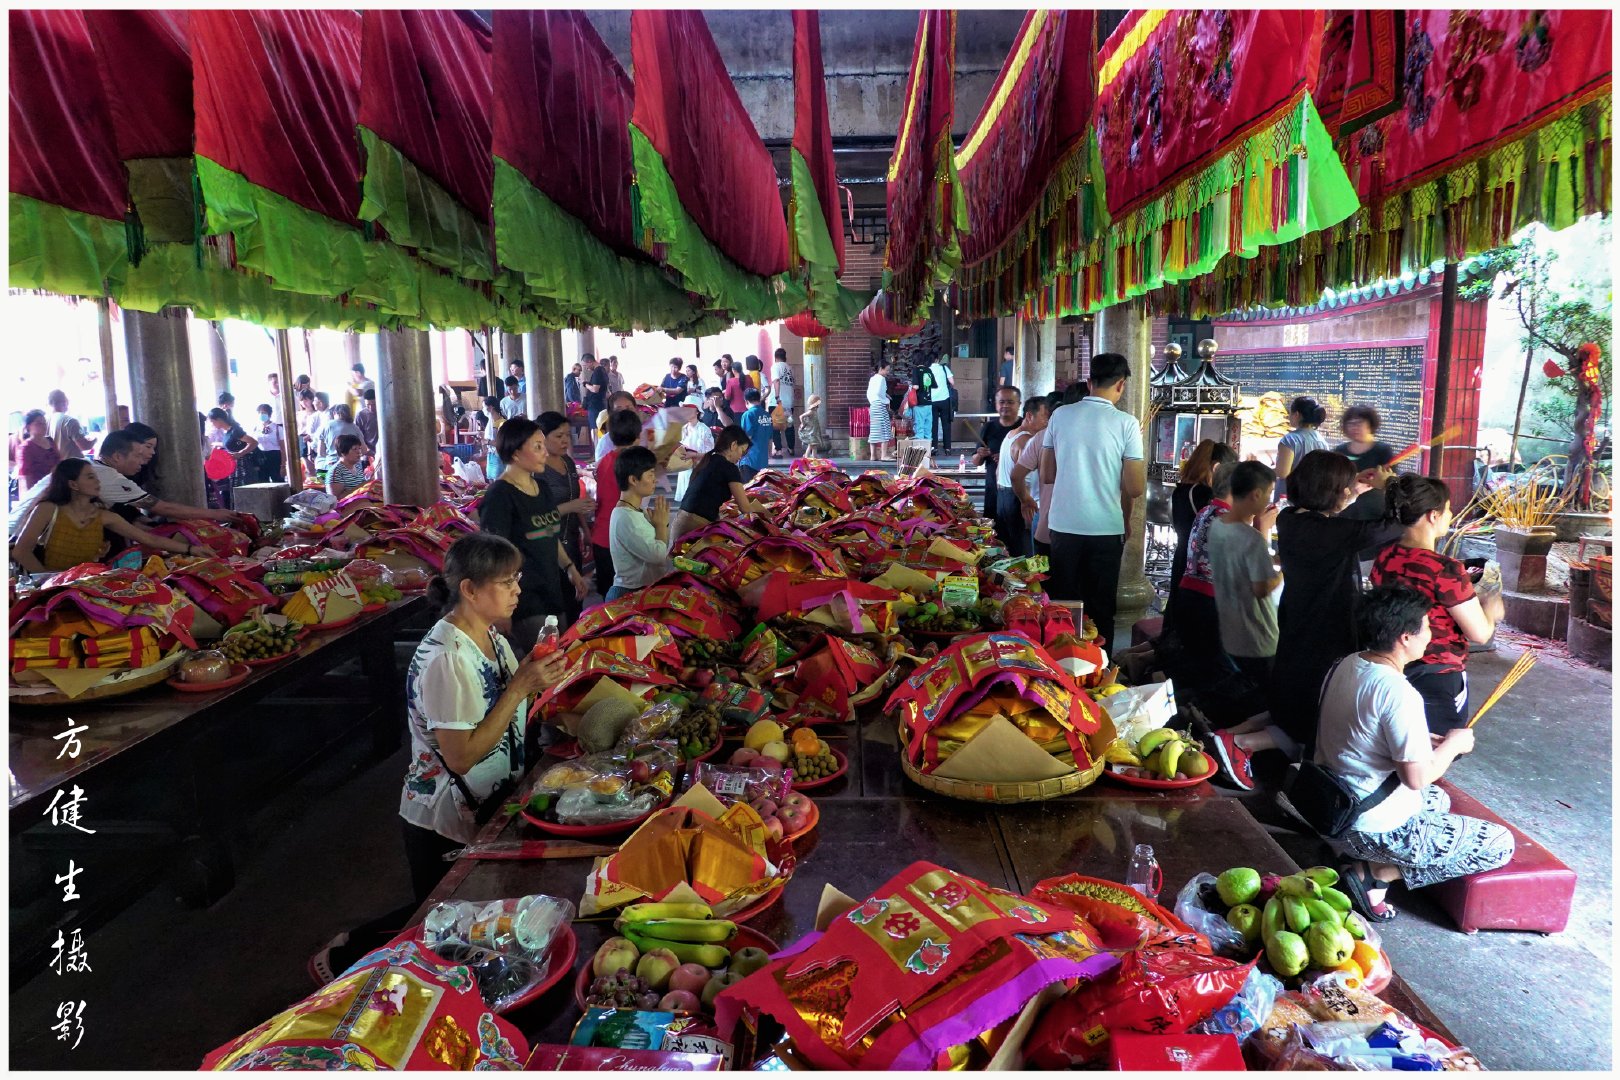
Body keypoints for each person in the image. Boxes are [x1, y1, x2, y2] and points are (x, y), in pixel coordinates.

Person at [309, 532, 570, 981]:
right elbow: (462, 755)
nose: (518, 590)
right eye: (506, 582)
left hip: (487, 801)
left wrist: (539, 680)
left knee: (466, 917)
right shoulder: (447, 659)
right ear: (469, 589)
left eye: (517, 579)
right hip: (445, 815)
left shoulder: (490, 637)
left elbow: (508, 708)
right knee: (438, 924)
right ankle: (344, 956)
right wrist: (520, 687)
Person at [1315, 584, 1513, 922]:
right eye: (1427, 626)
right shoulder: (1399, 693)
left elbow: (1363, 734)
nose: (1431, 635)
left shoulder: (1347, 663)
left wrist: (1423, 739)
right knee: (1499, 844)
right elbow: (1417, 778)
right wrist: (1454, 745)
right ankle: (1375, 873)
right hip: (1367, 827)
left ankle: (1359, 859)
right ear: (1405, 638)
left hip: (1331, 809)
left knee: (1439, 801)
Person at [1272, 450, 1403, 751]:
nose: (1349, 491)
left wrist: (1351, 492)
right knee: (1318, 695)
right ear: (1332, 492)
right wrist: (1390, 485)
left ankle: (1281, 738)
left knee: (1294, 683)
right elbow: (1393, 526)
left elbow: (1328, 521)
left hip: (1299, 616)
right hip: (1327, 624)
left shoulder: (1289, 518)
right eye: (1344, 488)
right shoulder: (1332, 532)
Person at [1370, 474, 1505, 734]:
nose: (1450, 514)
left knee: (1394, 742)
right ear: (1433, 515)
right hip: (1437, 673)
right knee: (1439, 746)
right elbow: (1480, 634)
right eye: (1448, 508)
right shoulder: (1444, 569)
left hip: (1391, 666)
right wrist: (1490, 609)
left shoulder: (1385, 557)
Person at [1040, 353, 1145, 654]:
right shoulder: (1126, 423)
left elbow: (1047, 474)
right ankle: (1100, 667)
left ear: (1089, 382)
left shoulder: (1060, 415)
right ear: (1121, 385)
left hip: (1064, 526)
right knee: (1101, 607)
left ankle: (1062, 666)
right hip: (1105, 529)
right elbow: (1135, 487)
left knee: (1065, 606)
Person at [1203, 461, 1289, 789]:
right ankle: (1234, 744)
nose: (1269, 500)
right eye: (1268, 493)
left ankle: (1221, 733)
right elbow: (1262, 587)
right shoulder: (1251, 538)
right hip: (1260, 633)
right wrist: (1285, 568)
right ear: (1255, 495)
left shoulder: (1219, 526)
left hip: (1230, 623)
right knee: (1272, 698)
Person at [480, 418, 588, 650]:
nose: (545, 453)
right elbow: (493, 556)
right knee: (546, 659)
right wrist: (499, 608)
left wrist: (570, 568)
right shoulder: (500, 495)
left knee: (559, 656)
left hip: (551, 589)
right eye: (538, 446)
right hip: (523, 597)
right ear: (516, 453)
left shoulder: (542, 488)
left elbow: (549, 534)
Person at [11, 459, 209, 573]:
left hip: (84, 586)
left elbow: (149, 539)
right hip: (50, 588)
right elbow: (21, 552)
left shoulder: (104, 516)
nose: (97, 482)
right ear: (73, 484)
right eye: (90, 477)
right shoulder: (48, 509)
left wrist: (191, 549)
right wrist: (48, 581)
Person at [1166, 440, 1238, 631]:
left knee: (1177, 616)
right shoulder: (1205, 496)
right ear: (1217, 468)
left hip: (1183, 556)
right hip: (1199, 566)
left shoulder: (1181, 490)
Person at [535, 411, 596, 625]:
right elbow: (536, 515)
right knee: (556, 604)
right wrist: (571, 506)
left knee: (575, 599)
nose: (565, 441)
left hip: (572, 539)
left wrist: (585, 530)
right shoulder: (537, 469)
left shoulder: (568, 462)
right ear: (542, 437)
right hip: (549, 544)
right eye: (559, 436)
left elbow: (575, 498)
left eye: (568, 435)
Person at [589, 410, 646, 598]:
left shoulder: (604, 461)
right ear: (638, 436)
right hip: (623, 538)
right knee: (627, 599)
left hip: (601, 536)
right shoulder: (633, 465)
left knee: (608, 598)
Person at [672, 425, 760, 543]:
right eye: (742, 451)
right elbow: (745, 508)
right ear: (734, 445)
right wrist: (766, 523)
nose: (741, 456)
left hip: (681, 521)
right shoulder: (729, 468)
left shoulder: (709, 459)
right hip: (696, 525)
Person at [607, 447, 672, 602]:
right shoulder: (626, 518)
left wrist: (660, 525)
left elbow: (661, 546)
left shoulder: (637, 511)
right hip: (629, 594)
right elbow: (658, 556)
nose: (655, 480)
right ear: (633, 480)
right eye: (650, 474)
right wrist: (661, 526)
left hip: (642, 589)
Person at [995, 395, 1047, 557]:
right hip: (1018, 499)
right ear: (1029, 416)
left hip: (1003, 497)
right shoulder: (1027, 441)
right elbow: (1024, 478)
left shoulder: (1011, 434)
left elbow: (998, 471)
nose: (1047, 422)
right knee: (1024, 553)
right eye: (1045, 416)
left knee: (1009, 549)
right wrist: (1026, 502)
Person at [976, 386, 1021, 518]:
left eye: (1010, 402)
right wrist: (980, 454)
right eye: (1002, 402)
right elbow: (976, 462)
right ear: (996, 404)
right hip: (993, 490)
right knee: (992, 526)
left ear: (1019, 404)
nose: (1005, 406)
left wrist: (1007, 458)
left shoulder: (1024, 427)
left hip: (1018, 490)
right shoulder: (988, 427)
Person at [1275, 396, 1328, 501]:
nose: (1289, 416)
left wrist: (1259, 469)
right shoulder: (1322, 442)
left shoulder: (1290, 440)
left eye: (1290, 413)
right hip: (1312, 498)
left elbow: (1283, 473)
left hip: (1289, 498)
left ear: (1297, 415)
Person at [206, 407, 258, 510]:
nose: (212, 424)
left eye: (212, 421)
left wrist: (240, 453)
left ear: (218, 420)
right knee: (235, 495)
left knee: (242, 495)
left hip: (242, 469)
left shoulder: (235, 431)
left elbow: (253, 442)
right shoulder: (227, 432)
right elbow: (231, 444)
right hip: (233, 468)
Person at [672, 395, 716, 503]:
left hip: (700, 470)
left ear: (697, 412)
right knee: (685, 502)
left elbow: (711, 454)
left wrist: (694, 455)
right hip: (685, 471)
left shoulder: (704, 430)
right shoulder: (682, 429)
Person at [1334, 405, 1396, 473]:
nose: (1354, 427)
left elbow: (1390, 477)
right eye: (1350, 424)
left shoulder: (1383, 451)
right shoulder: (1339, 451)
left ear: (1370, 425)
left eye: (1359, 423)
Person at [14, 409, 59, 492]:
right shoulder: (25, 448)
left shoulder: (50, 441)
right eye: (39, 423)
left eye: (44, 423)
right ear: (28, 427)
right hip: (39, 491)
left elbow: (59, 462)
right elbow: (26, 478)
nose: (44, 426)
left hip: (56, 486)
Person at [316, 404, 363, 478]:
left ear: (334, 413)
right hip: (353, 467)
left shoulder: (326, 426)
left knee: (325, 478)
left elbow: (321, 453)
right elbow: (364, 450)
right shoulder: (355, 427)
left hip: (331, 464)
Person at [46, 390, 93, 461]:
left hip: (58, 464)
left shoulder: (47, 422)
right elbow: (84, 446)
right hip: (75, 464)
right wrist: (95, 440)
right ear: (64, 402)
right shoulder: (70, 421)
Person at [595, 391, 640, 462]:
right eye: (619, 409)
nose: (625, 413)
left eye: (629, 408)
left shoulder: (647, 434)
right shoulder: (606, 442)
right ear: (611, 413)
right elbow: (601, 466)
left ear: (636, 410)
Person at [768, 348, 797, 457]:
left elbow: (776, 381)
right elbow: (794, 384)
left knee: (776, 427)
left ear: (775, 357)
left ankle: (778, 450)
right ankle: (791, 448)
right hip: (789, 402)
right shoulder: (790, 368)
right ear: (785, 357)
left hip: (777, 402)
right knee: (789, 425)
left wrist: (777, 396)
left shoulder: (775, 366)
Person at [738, 389, 772, 481]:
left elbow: (747, 437)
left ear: (746, 401)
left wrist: (739, 455)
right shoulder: (767, 415)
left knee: (748, 488)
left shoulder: (748, 414)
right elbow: (770, 438)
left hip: (749, 460)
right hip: (763, 461)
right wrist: (769, 454)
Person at [866, 358, 895, 462]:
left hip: (873, 405)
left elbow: (870, 392)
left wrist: (884, 395)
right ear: (881, 369)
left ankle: (873, 456)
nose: (888, 372)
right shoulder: (881, 379)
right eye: (887, 370)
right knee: (885, 430)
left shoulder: (872, 378)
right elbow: (878, 392)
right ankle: (884, 455)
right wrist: (885, 399)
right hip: (880, 405)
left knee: (874, 431)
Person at [326, 434, 370, 499]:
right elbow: (335, 499)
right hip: (347, 505)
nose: (359, 452)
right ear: (343, 452)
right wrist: (362, 486)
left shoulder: (358, 466)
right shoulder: (336, 471)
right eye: (355, 449)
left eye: (359, 448)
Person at [927, 353, 955, 453]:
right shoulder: (944, 368)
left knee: (933, 424)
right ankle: (947, 447)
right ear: (937, 359)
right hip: (944, 399)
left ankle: (934, 447)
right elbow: (952, 382)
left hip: (932, 400)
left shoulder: (928, 369)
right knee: (946, 423)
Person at [253, 403, 284, 483]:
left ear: (269, 414)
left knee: (277, 481)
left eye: (264, 413)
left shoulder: (278, 428)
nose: (261, 415)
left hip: (275, 456)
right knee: (263, 481)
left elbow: (283, 448)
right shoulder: (256, 428)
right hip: (261, 457)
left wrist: (283, 464)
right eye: (259, 413)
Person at [909, 361, 935, 446]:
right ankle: (928, 448)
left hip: (919, 402)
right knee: (928, 428)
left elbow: (916, 386)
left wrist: (911, 387)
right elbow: (934, 385)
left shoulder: (916, 370)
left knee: (919, 428)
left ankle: (920, 449)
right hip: (929, 402)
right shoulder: (928, 370)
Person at [798, 394, 829, 459]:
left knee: (813, 445)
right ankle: (808, 456)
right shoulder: (811, 412)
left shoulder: (814, 412)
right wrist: (803, 424)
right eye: (817, 404)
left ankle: (813, 456)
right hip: (811, 432)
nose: (818, 406)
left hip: (814, 431)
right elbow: (801, 416)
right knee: (812, 445)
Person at [581, 354, 608, 421]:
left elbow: (595, 389)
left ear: (590, 361)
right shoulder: (602, 370)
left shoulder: (597, 371)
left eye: (585, 365)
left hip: (595, 405)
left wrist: (585, 384)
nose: (586, 368)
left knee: (594, 426)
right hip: (600, 403)